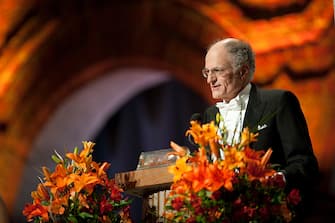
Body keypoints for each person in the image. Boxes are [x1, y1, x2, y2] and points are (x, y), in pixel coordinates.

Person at [196, 38, 319, 220]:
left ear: (243, 71)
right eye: (207, 72)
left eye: (218, 71)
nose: (210, 79)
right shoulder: (209, 116)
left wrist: (275, 180)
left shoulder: (278, 102)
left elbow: (305, 163)